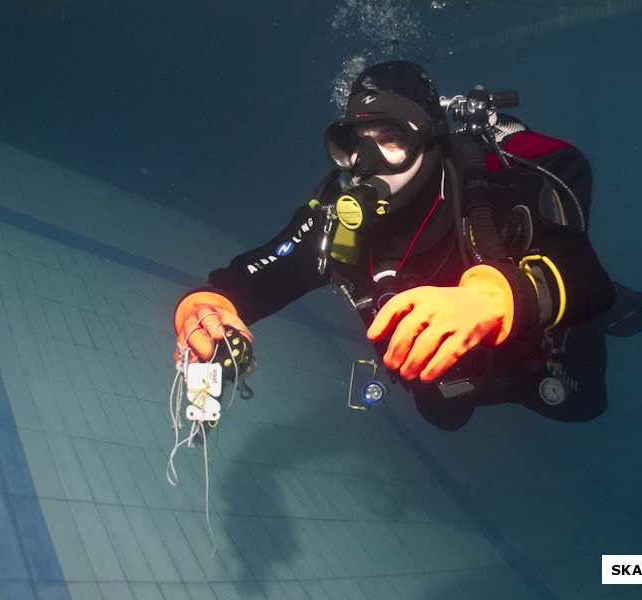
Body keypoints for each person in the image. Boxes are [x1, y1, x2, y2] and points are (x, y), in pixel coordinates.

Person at [173, 61, 615, 431]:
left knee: (583, 406)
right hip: (440, 375)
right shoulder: (336, 216)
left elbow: (586, 273)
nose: (365, 164)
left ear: (430, 141)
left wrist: (496, 298)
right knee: (442, 414)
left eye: (391, 140)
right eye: (353, 145)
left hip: (532, 357)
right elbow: (266, 270)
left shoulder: (483, 187)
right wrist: (207, 303)